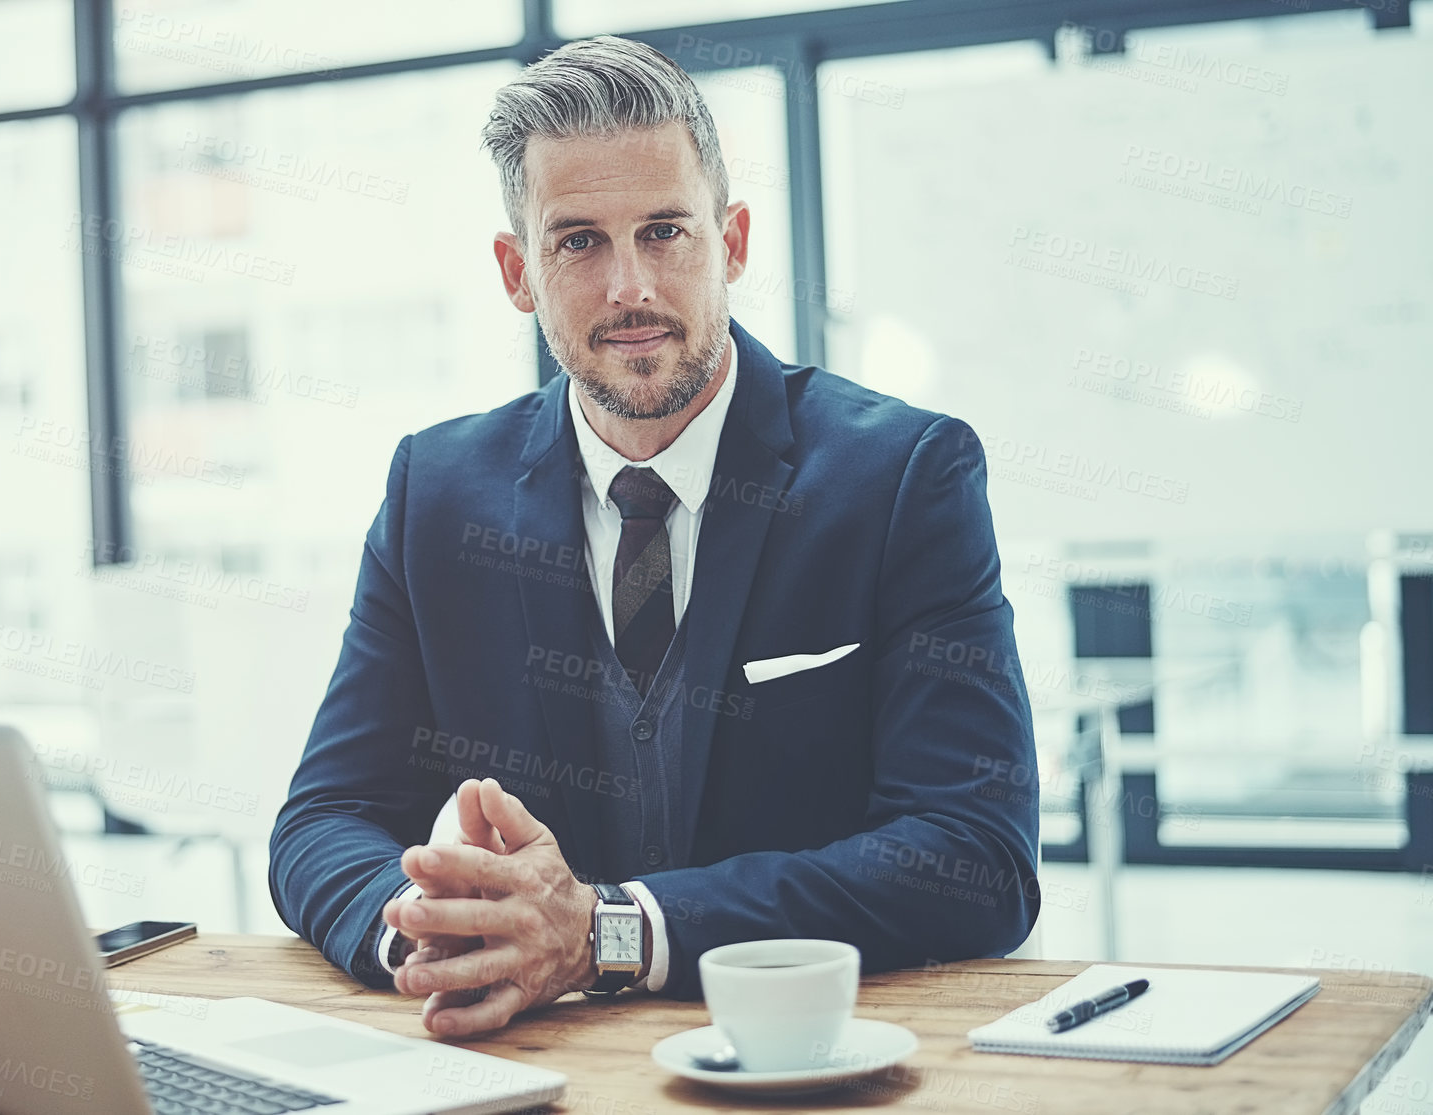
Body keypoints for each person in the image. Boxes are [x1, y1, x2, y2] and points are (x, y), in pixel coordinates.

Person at [269, 34, 1039, 1039]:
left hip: (807, 1060)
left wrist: (609, 931)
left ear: (735, 243)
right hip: (534, 1058)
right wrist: (425, 930)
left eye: (666, 230)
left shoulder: (903, 478)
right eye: (579, 240)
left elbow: (976, 852)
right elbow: (323, 817)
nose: (629, 287)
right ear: (518, 270)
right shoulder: (436, 490)